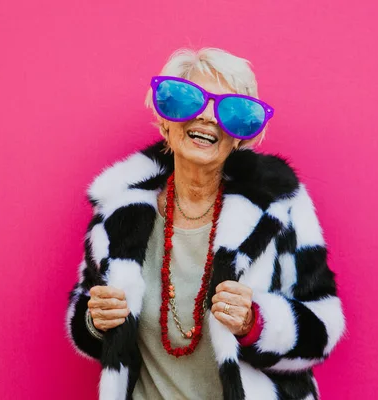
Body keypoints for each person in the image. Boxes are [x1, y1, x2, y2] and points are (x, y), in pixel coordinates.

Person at [66, 48, 345, 400]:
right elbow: (87, 311)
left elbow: (324, 327)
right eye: (188, 100)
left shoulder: (276, 207)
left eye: (231, 111)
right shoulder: (121, 208)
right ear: (165, 119)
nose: (208, 118)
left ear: (240, 135)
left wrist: (256, 323)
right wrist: (96, 320)